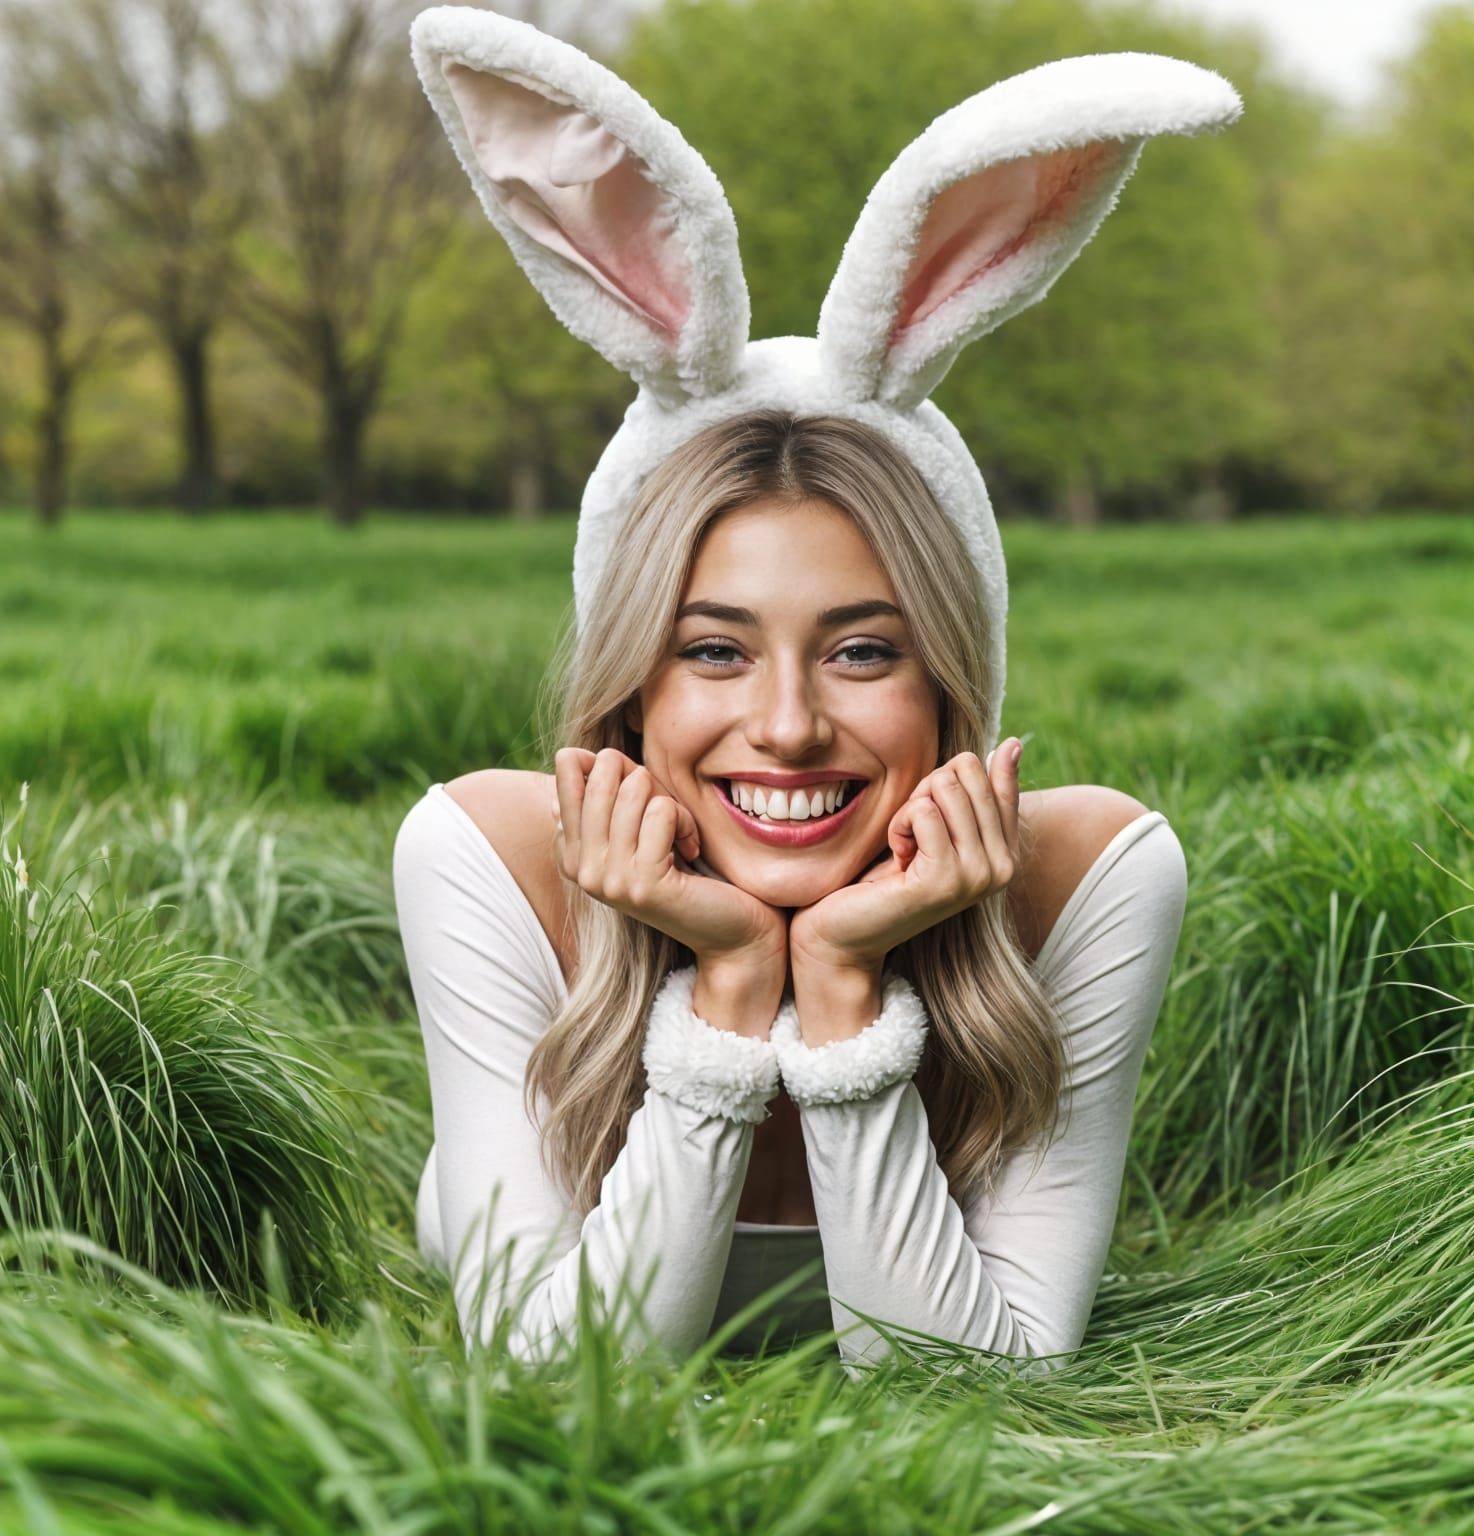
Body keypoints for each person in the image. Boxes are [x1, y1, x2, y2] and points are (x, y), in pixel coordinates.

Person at [396, 7, 1234, 1372]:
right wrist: (729, 985)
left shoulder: (1089, 871)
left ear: (954, 678)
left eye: (862, 651)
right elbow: (550, 1388)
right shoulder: (492, 855)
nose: (786, 724)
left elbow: (979, 1387)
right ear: (629, 692)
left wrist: (841, 987)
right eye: (714, 650)